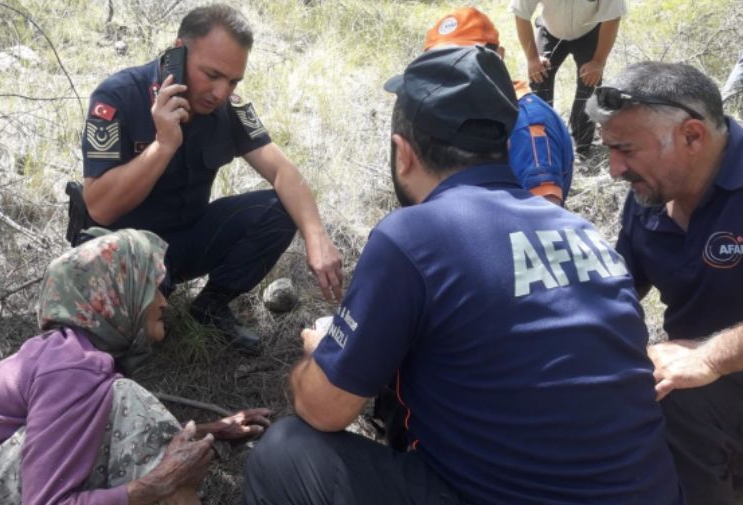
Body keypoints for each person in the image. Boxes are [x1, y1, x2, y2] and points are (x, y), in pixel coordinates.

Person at [242, 46, 683, 505]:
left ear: (403, 154)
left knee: (283, 453)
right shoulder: (582, 232)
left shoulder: (411, 236)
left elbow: (322, 408)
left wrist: (321, 356)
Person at [0, 228, 271, 505]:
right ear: (116, 294)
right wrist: (156, 484)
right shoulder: (75, 369)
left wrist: (208, 431)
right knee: (126, 405)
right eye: (153, 286)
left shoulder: (70, 355)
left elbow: (76, 434)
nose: (165, 301)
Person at [80, 4, 343, 355]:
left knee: (282, 209)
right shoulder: (119, 97)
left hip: (187, 239)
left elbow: (283, 172)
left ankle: (211, 306)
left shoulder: (227, 108)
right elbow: (100, 208)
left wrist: (317, 237)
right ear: (177, 52)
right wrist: (163, 146)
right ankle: (143, 307)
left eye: (233, 80)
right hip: (126, 256)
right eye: (212, 74)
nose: (220, 92)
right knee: (122, 351)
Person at [586, 61, 743, 505]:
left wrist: (712, 357)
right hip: (700, 402)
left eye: (626, 149)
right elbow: (617, 291)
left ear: (692, 136)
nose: (615, 169)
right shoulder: (651, 194)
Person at [424, 6, 573, 204]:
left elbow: (546, 217)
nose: (452, 72)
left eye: (464, 59)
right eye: (439, 64)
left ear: (498, 56)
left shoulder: (527, 124)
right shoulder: (458, 115)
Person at [510, 0, 626, 159]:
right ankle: (542, 141)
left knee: (590, 84)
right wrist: (533, 59)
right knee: (539, 78)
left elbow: (612, 17)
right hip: (550, 30)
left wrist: (598, 62)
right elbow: (520, 14)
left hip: (589, 32)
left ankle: (582, 146)